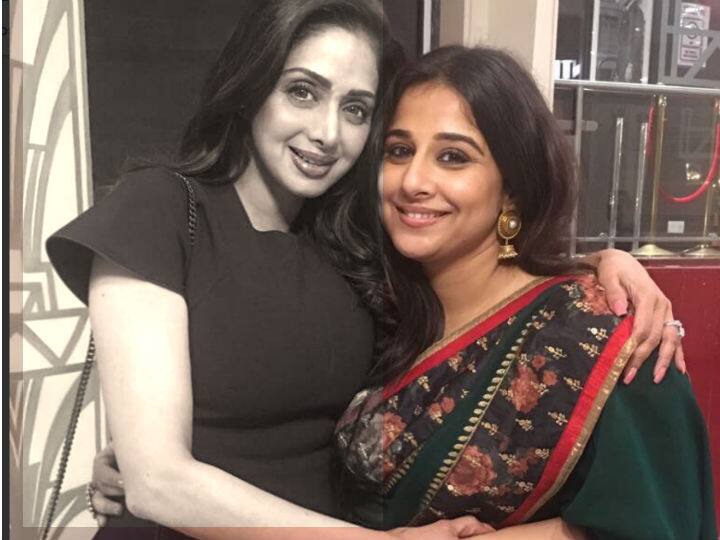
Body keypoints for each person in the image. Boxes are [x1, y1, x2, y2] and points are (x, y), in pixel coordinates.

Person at [54, 1, 683, 537]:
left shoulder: (351, 244)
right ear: (251, 87)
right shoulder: (161, 209)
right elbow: (159, 481)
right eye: (302, 91)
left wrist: (606, 263)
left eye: (356, 109)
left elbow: (486, 287)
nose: (326, 133)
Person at [334, 45, 716, 539]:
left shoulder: (605, 335)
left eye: (453, 157)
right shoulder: (373, 302)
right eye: (399, 151)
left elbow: (656, 524)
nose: (412, 181)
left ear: (512, 185)